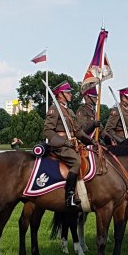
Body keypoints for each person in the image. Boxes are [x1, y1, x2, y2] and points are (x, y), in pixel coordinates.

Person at [44, 81, 96, 209]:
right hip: (59, 146)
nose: (70, 94)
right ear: (60, 94)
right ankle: (69, 196)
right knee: (76, 162)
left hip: (71, 144)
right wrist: (63, 142)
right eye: (68, 92)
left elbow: (78, 131)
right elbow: (48, 131)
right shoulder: (54, 109)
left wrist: (91, 141)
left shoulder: (69, 110)